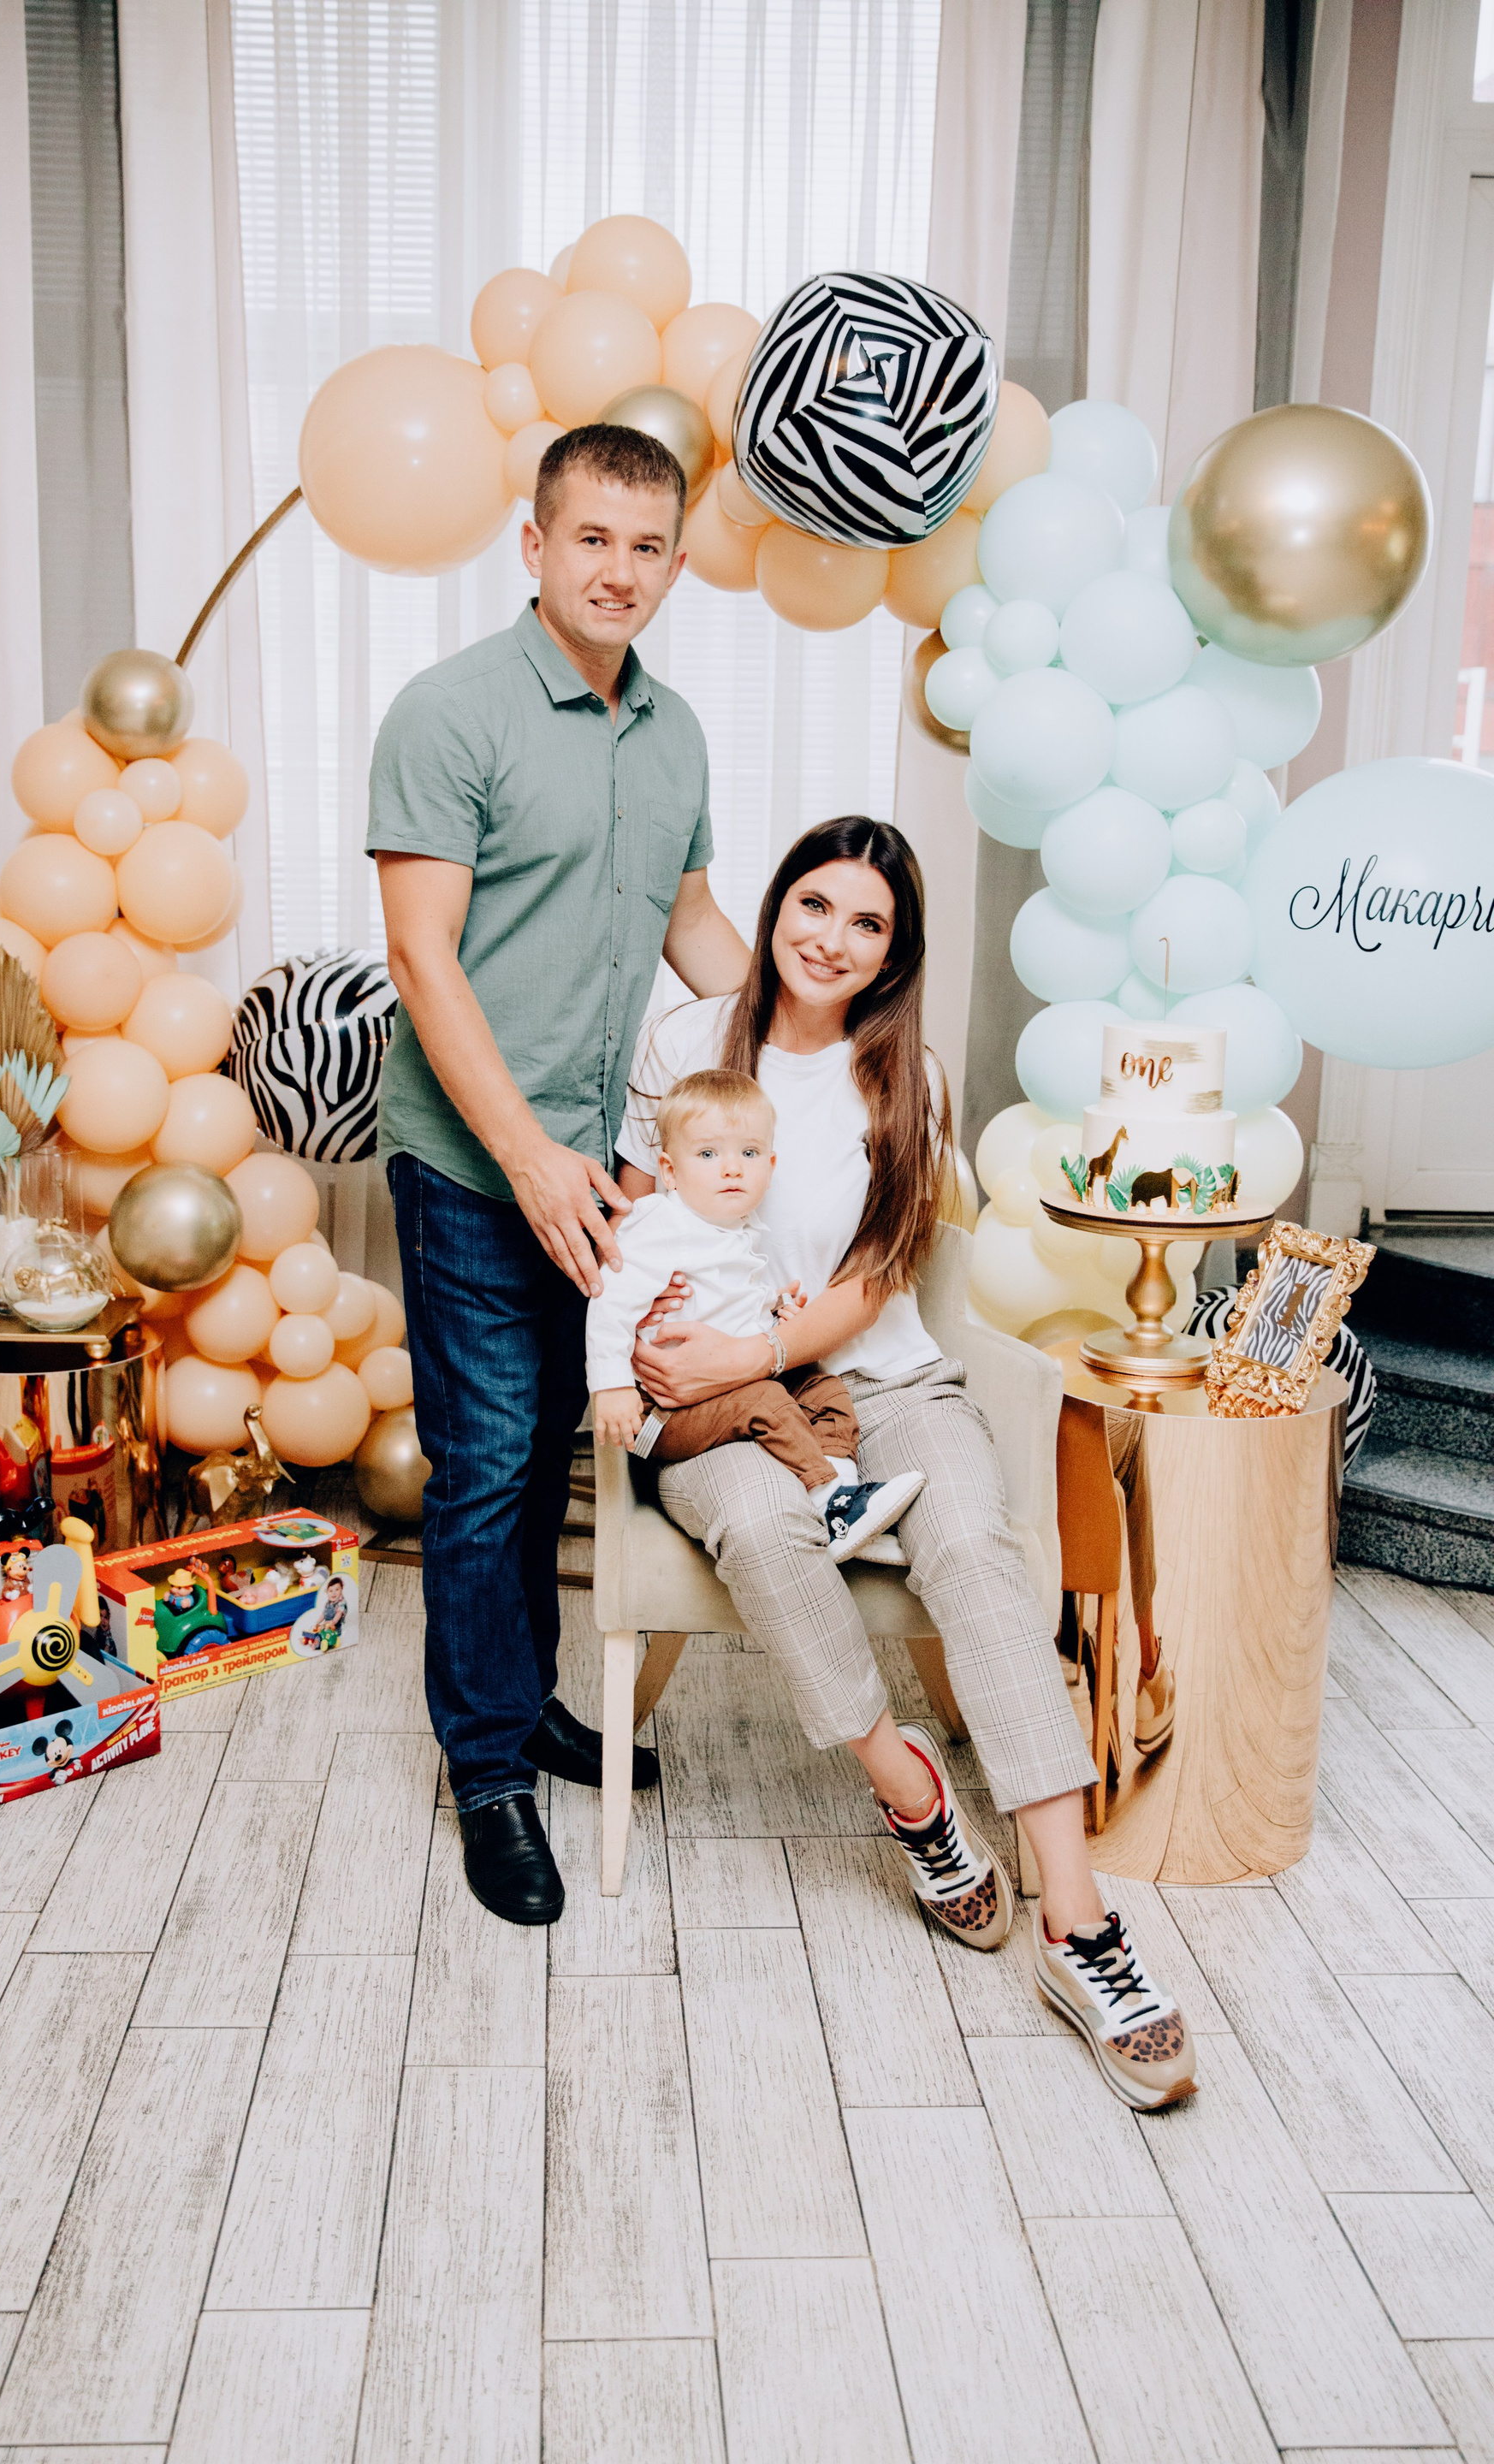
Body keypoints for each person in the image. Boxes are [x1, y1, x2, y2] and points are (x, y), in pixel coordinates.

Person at [620, 815, 1197, 2112]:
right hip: (717, 1402)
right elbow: (633, 1226)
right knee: (764, 1530)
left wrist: (759, 1344)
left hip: (879, 1376)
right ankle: (915, 1792)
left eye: (868, 923)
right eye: (814, 905)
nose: (832, 938)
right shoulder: (683, 1041)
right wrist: (678, 1355)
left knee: (976, 1553)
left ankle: (1078, 1926)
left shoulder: (907, 1077)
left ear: (895, 952)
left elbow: (883, 1272)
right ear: (776, 908)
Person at [368, 424, 752, 1928]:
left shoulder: (677, 733)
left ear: (675, 564)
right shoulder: (448, 713)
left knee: (546, 1462)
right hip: (477, 1164)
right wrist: (525, 1157)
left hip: (600, 1174)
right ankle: (486, 1775)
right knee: (485, 1467)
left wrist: (820, 1043)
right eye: (592, 538)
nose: (619, 570)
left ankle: (523, 1704)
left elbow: (694, 930)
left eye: (648, 546)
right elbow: (423, 959)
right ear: (534, 546)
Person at [588, 1066, 924, 1562]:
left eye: (748, 1154)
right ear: (670, 1171)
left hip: (723, 1387)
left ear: (770, 1164)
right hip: (663, 1414)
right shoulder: (663, 1225)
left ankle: (840, 1499)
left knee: (823, 1388)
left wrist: (774, 1309)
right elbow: (609, 1302)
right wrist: (611, 1386)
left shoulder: (735, 1228)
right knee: (767, 1399)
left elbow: (725, 1304)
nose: (732, 1169)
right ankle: (829, 1496)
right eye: (708, 1154)